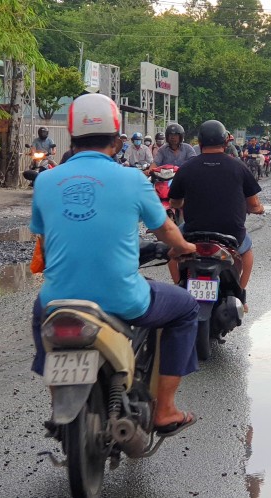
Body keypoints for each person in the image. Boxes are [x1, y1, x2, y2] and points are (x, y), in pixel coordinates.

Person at [30, 93, 199, 435]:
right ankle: (165, 409)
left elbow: (45, 246)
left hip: (57, 299)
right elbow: (166, 230)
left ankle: (58, 403)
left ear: (72, 138)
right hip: (123, 299)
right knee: (186, 309)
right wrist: (185, 247)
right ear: (117, 139)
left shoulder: (46, 181)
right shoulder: (132, 179)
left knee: (40, 314)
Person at [168, 120, 264, 308]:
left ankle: (179, 287)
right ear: (225, 143)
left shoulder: (187, 168)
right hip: (232, 234)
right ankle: (240, 295)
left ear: (200, 142)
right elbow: (253, 205)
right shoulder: (238, 166)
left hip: (193, 232)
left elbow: (174, 202)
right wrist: (259, 209)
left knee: (172, 252)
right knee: (247, 252)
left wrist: (182, 202)